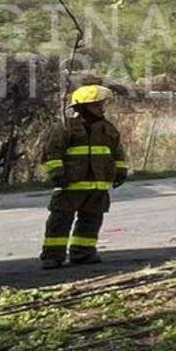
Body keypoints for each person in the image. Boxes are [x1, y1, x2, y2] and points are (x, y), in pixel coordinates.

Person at [40, 85, 129, 269]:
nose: (101, 108)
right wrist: (57, 173)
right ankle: (52, 256)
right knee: (59, 221)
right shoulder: (66, 128)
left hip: (98, 187)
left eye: (102, 105)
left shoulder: (108, 129)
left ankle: (83, 253)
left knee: (91, 221)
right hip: (70, 185)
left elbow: (117, 153)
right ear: (82, 107)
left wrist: (121, 171)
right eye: (96, 105)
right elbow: (52, 153)